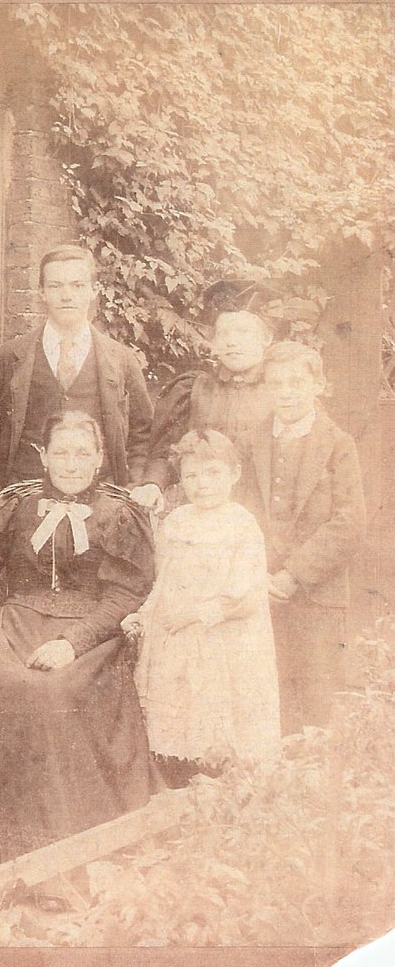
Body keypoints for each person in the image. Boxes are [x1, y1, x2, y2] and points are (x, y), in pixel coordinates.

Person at [0, 410, 154, 861]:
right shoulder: (17, 503)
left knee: (54, 691)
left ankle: (63, 841)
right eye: (61, 452)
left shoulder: (119, 512)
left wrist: (72, 643)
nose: (72, 464)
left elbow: (124, 596)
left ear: (100, 458)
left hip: (88, 631)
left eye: (83, 453)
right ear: (43, 456)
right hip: (14, 620)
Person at [123, 430, 281, 787]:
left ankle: (230, 791)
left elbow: (247, 596)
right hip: (178, 642)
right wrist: (144, 615)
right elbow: (163, 582)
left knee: (223, 728)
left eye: (212, 473)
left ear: (234, 474)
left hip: (224, 642)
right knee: (181, 726)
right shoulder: (177, 521)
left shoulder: (241, 523)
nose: (202, 484)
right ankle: (185, 788)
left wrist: (195, 615)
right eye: (191, 476)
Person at [236, 341, 366, 734]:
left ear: (319, 384)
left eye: (296, 382)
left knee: (316, 702)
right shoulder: (252, 438)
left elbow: (349, 523)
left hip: (316, 595)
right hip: (260, 590)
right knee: (263, 697)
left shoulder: (338, 444)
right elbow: (239, 514)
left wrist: (292, 575)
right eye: (276, 383)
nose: (286, 392)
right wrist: (256, 574)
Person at [0, 244, 153, 491]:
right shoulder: (7, 358)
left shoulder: (121, 360)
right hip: (26, 499)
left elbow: (143, 434)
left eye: (77, 285)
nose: (66, 295)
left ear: (94, 290)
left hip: (100, 501)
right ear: (41, 292)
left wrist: (134, 486)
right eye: (55, 286)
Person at [133, 309, 274, 510]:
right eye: (223, 333)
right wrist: (153, 484)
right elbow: (166, 452)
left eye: (243, 332)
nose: (232, 341)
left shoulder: (280, 392)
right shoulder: (195, 388)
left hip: (259, 508)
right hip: (200, 503)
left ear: (266, 338)